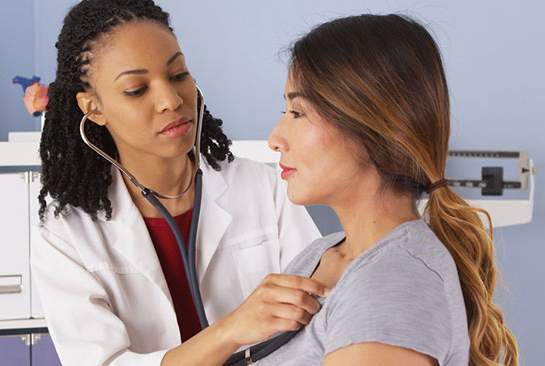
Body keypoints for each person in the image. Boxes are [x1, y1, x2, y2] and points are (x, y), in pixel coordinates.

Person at [31, 1, 326, 365]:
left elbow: (323, 318)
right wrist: (232, 329)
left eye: (178, 75)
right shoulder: (67, 233)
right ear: (94, 108)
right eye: (137, 89)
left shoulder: (265, 189)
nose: (171, 100)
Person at [229, 14, 519, 366]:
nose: (275, 139)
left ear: (369, 126)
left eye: (298, 112)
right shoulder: (320, 255)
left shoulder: (393, 284)